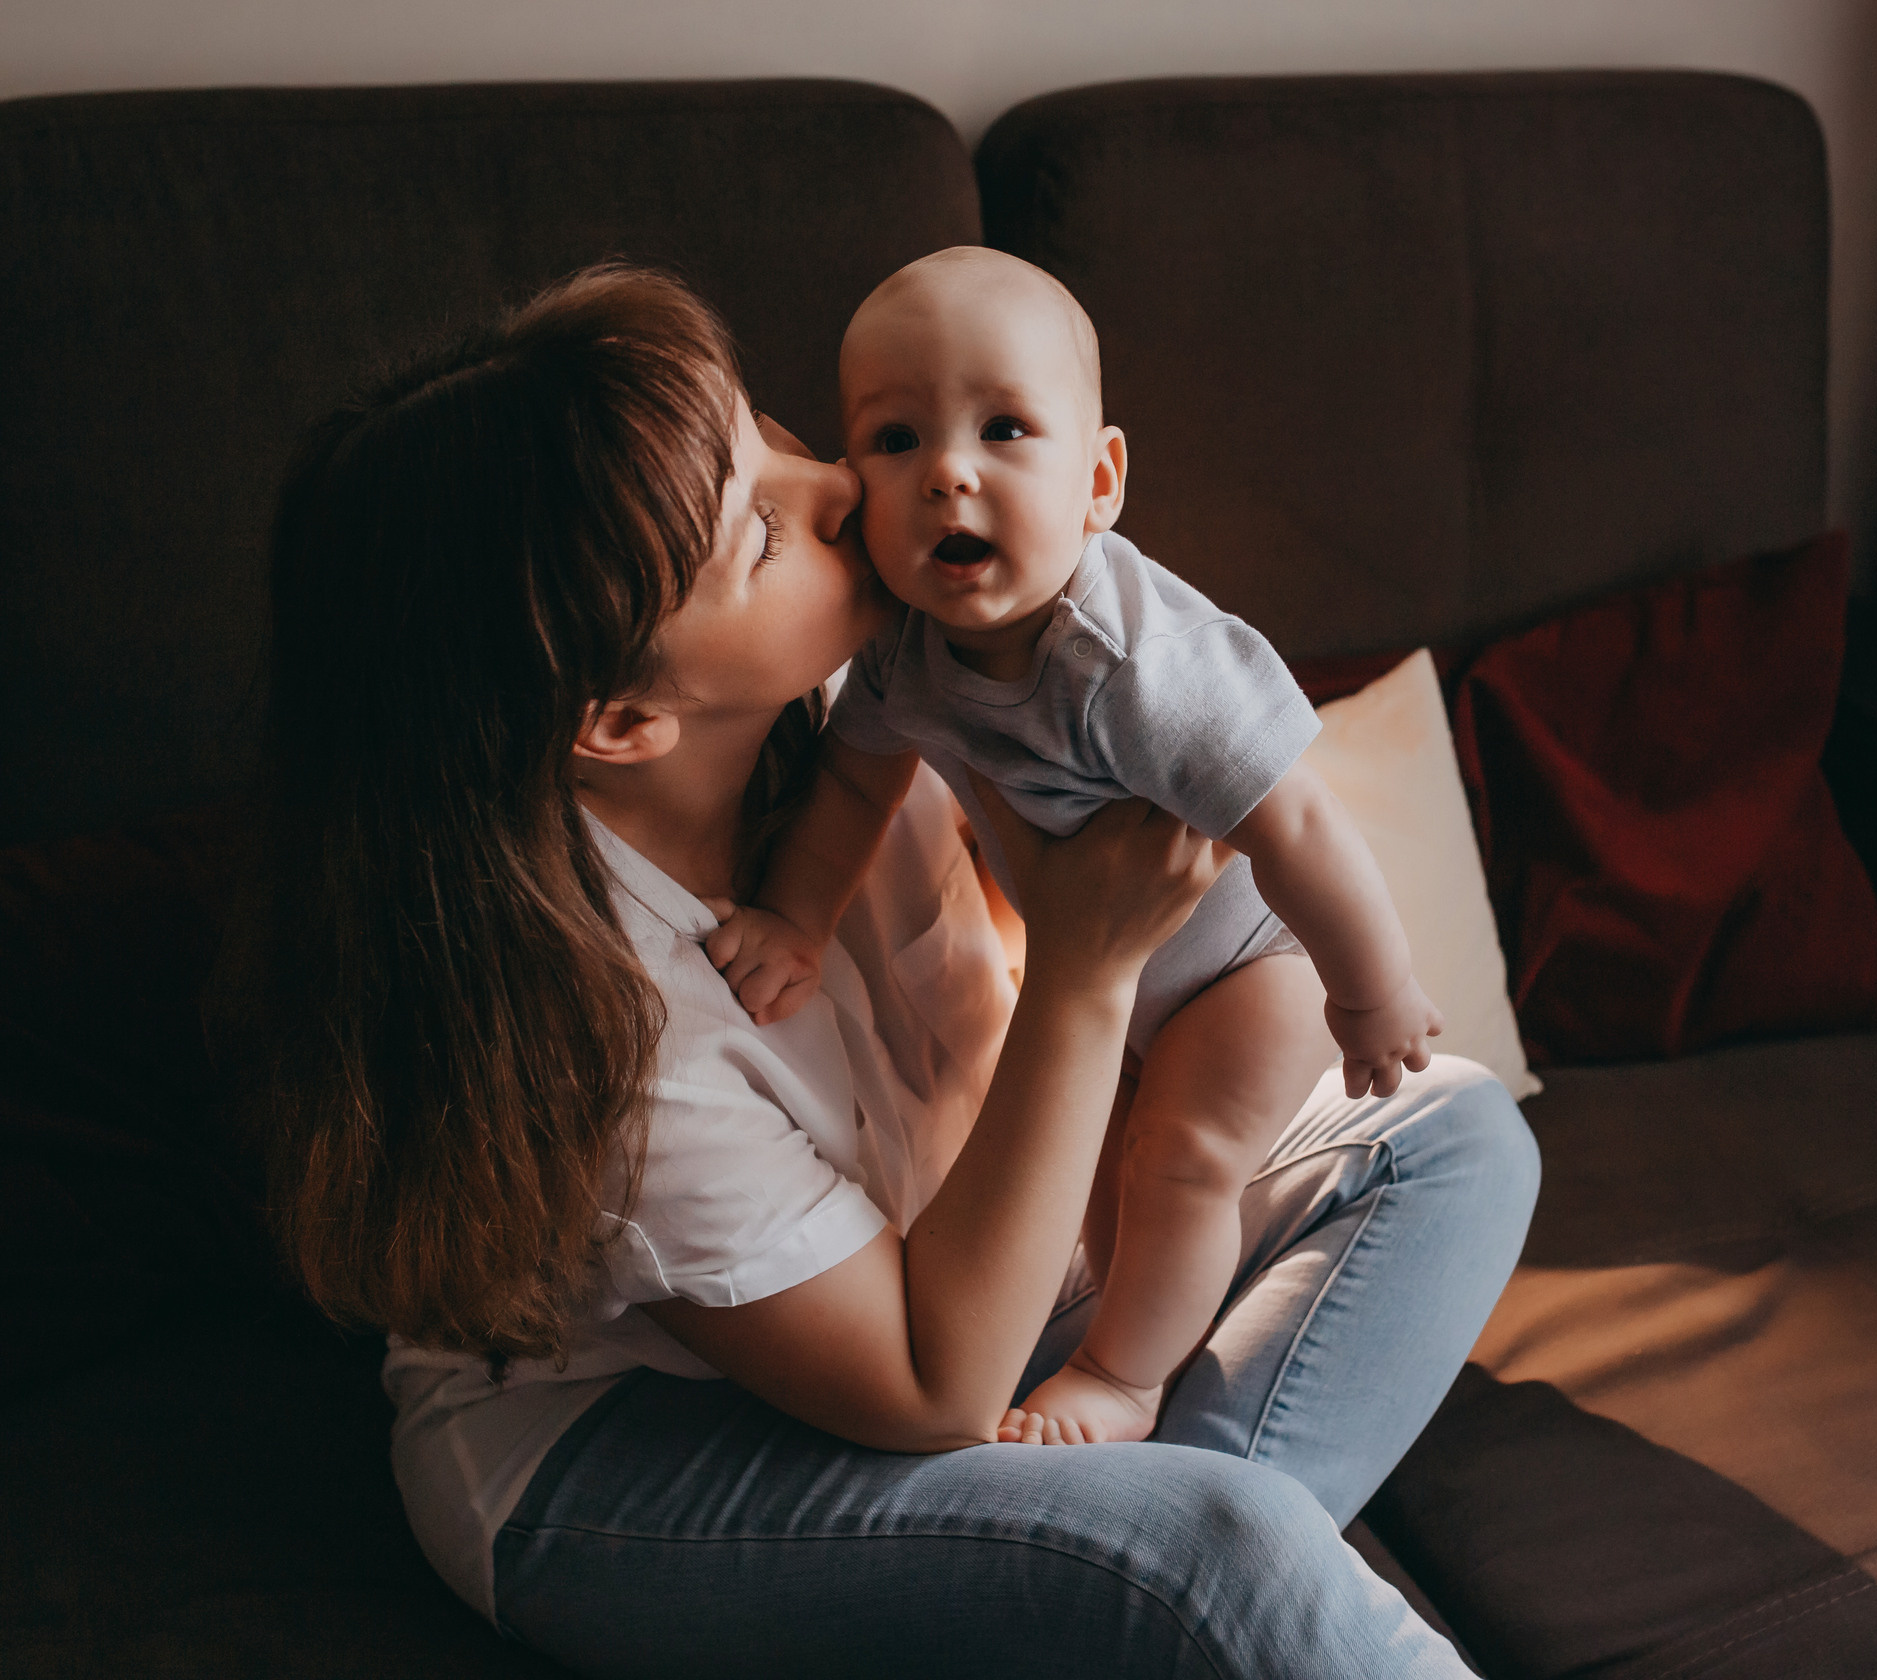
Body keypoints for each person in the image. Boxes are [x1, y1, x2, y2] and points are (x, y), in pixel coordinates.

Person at [231, 259, 1539, 1677]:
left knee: (1450, 1139)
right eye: (760, 531)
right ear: (621, 721)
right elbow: (936, 1385)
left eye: (775, 438)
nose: (842, 490)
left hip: (927, 1272)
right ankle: (1174, 1583)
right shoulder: (614, 1046)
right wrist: (1086, 968)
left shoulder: (877, 692)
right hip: (627, 1452)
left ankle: (1147, 1599)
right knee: (1221, 1552)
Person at [705, 247, 1446, 1445]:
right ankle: (1155, 1338)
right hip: (1111, 975)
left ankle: (1125, 1380)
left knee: (1180, 1161)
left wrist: (1373, 992)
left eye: (1003, 429)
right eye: (895, 440)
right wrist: (794, 919)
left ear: (1098, 482)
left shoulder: (1136, 665)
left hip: (1250, 965)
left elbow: (1301, 819)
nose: (948, 472)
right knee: (1096, 1183)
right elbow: (850, 783)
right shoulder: (900, 653)